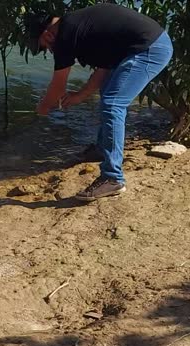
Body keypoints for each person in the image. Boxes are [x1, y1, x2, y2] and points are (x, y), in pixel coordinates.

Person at [25, 3, 173, 202]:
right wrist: (80, 95)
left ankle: (112, 178)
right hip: (147, 45)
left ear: (47, 34)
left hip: (149, 48)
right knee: (108, 94)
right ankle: (103, 149)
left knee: (113, 104)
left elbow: (58, 87)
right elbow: (103, 70)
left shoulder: (65, 34)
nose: (49, 50)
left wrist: (41, 110)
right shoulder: (79, 27)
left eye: (45, 46)